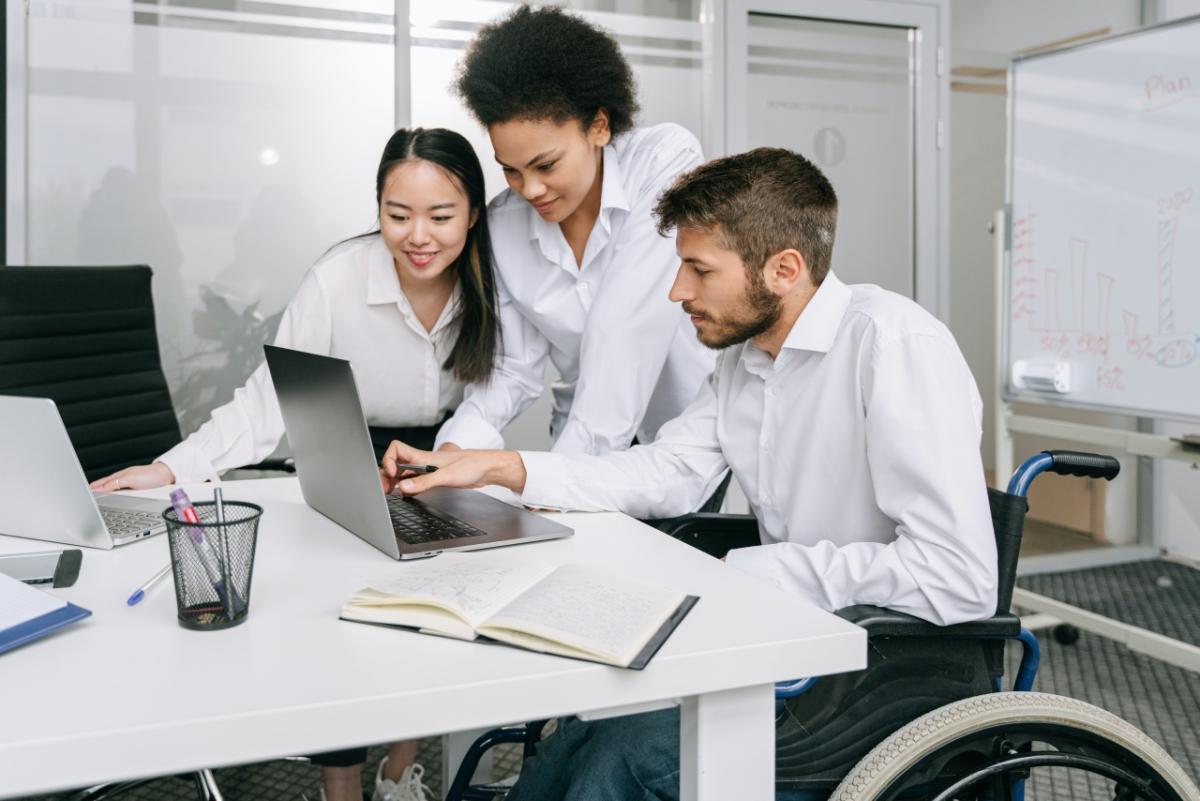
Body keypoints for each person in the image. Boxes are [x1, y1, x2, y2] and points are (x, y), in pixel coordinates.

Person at [379, 147, 999, 800]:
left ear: (784, 269)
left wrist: (768, 569)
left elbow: (959, 577)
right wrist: (502, 467)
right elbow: (670, 470)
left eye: (698, 269)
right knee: (585, 731)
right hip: (794, 645)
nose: (677, 291)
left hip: (884, 677)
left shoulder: (893, 346)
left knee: (620, 761)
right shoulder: (745, 361)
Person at [92, 127, 501, 801]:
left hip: (442, 456)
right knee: (341, 616)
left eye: (441, 216)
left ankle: (402, 767)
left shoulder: (491, 283)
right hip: (345, 449)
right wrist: (170, 469)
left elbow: (495, 392)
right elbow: (265, 405)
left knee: (433, 615)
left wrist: (452, 461)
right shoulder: (338, 279)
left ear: (475, 215)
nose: (418, 236)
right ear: (377, 209)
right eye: (398, 216)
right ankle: (338, 782)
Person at [435, 6, 717, 478]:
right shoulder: (504, 225)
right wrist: (453, 452)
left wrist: (554, 482)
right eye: (511, 170)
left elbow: (624, 330)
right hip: (576, 440)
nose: (530, 190)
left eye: (546, 165)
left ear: (599, 125)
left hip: (681, 444)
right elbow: (511, 370)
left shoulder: (664, 161)